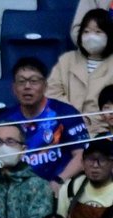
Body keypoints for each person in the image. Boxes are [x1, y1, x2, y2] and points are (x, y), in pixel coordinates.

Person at [4, 56, 86, 189]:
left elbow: (81, 155)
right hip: (20, 189)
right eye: (21, 81)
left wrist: (59, 181)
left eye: (34, 81)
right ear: (14, 88)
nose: (27, 86)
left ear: (45, 86)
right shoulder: (7, 120)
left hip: (59, 184)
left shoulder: (65, 113)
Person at [47, 9, 113, 137]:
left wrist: (93, 121)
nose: (91, 37)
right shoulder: (67, 59)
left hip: (105, 131)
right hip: (66, 128)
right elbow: (52, 93)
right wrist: (74, 117)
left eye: (98, 32)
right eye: (86, 32)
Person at [56, 139, 113, 218]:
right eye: (90, 159)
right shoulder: (71, 187)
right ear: (82, 162)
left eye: (102, 160)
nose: (95, 165)